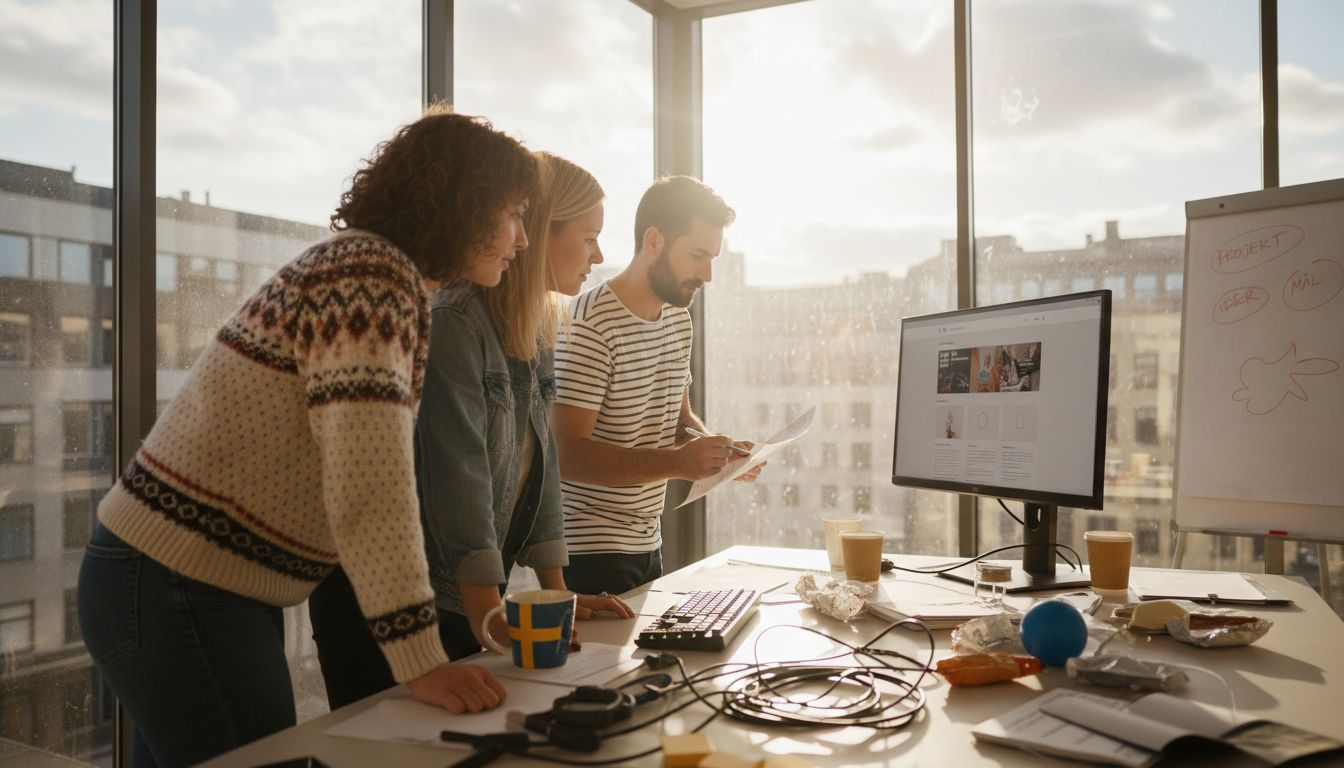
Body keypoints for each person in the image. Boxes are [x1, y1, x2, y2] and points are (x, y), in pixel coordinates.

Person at [76, 106, 530, 767]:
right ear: (467, 202)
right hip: (179, 584)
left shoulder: (375, 272)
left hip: (178, 581)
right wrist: (421, 661)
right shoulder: (371, 278)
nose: (520, 239)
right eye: (514, 213)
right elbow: (370, 480)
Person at [309, 152, 634, 709]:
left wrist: (560, 595)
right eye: (588, 237)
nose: (599, 257)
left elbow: (543, 470)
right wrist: (492, 619)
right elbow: (458, 481)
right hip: (403, 601)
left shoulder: (537, 327)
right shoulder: (454, 320)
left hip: (469, 595)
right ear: (536, 230)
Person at [552, 175, 762, 597]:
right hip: (587, 554)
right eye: (698, 255)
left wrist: (718, 453)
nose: (707, 274)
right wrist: (679, 464)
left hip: (648, 544)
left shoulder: (677, 320)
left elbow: (677, 420)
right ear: (653, 241)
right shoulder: (589, 322)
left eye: (712, 258)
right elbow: (567, 454)